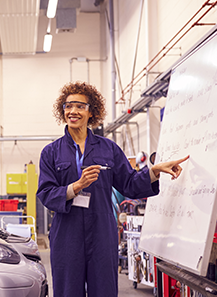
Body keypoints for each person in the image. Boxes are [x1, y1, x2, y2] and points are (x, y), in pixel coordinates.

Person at [37, 81, 189, 297]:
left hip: (101, 233)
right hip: (66, 235)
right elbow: (46, 193)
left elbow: (130, 184)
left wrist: (154, 171)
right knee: (67, 291)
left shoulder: (108, 149)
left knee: (105, 290)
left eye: (80, 106)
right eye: (68, 106)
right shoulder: (51, 152)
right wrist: (75, 186)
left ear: (91, 112)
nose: (73, 111)